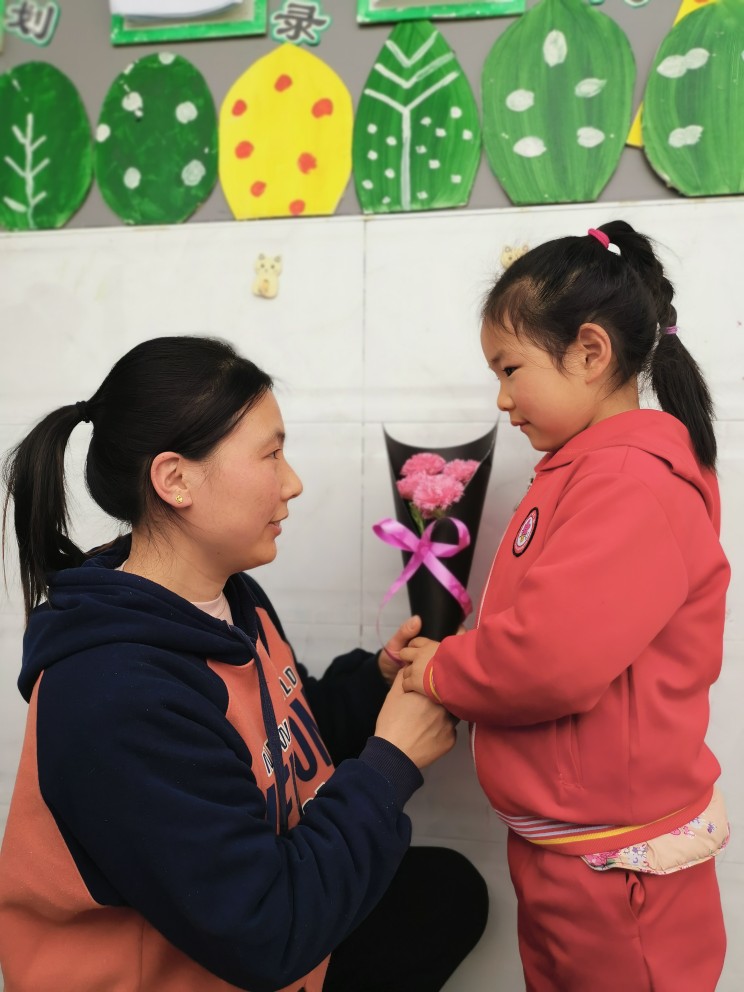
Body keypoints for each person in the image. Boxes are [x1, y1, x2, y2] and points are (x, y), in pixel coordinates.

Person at [0, 335, 488, 992]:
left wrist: (378, 680)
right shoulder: (114, 694)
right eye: (271, 454)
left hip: (257, 918)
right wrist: (392, 763)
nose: (293, 483)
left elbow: (283, 734)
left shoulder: (234, 597)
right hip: (210, 958)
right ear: (175, 480)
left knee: (448, 894)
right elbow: (264, 932)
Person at [400, 221, 730, 992]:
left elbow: (549, 658)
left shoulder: (630, 484)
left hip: (621, 872)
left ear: (589, 351)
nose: (503, 398)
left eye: (510, 368)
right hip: (575, 852)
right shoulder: (585, 473)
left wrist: (443, 670)